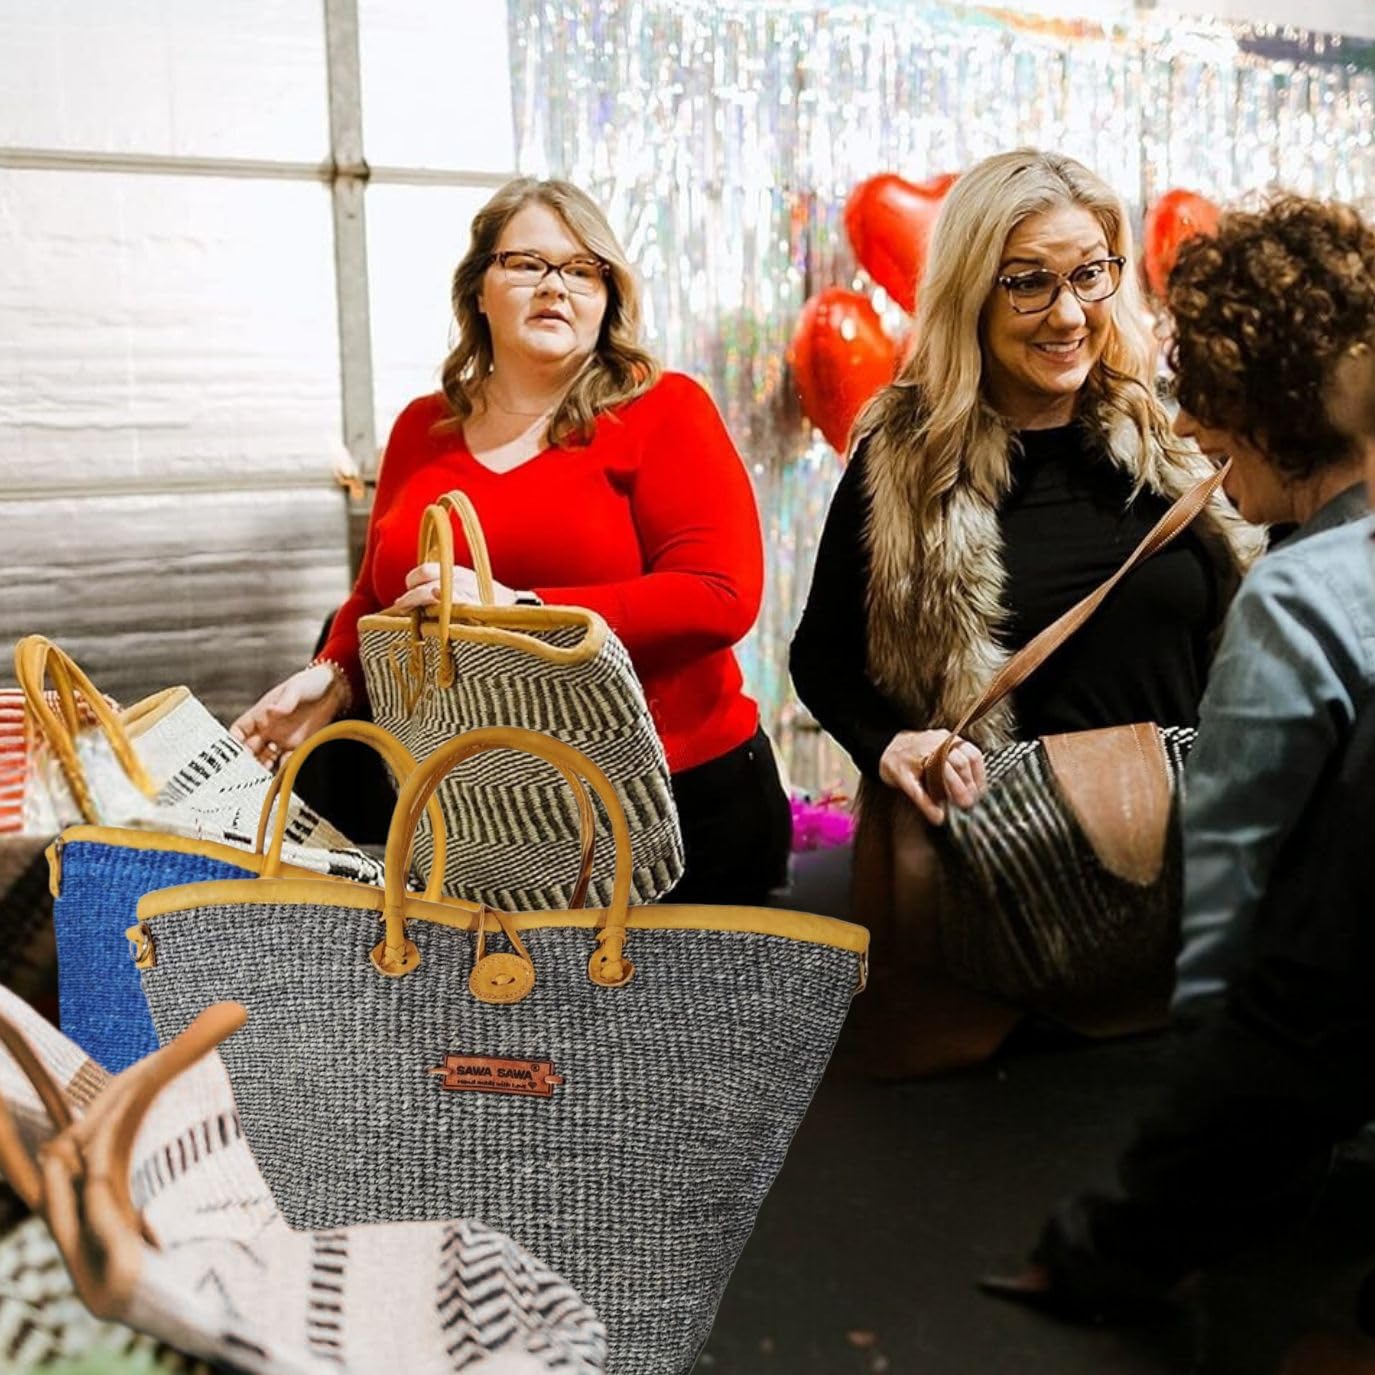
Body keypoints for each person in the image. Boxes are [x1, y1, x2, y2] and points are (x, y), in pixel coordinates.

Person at [984, 194, 1375, 1321]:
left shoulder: (1301, 598)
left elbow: (1230, 881)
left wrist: (1196, 1113)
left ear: (1253, 404)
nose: (1189, 423)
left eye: (1203, 397)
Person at [790, 149, 1251, 1064]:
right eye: (1028, 283)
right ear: (972, 288)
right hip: (998, 917)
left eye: (1088, 274)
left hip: (1190, 913)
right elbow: (822, 653)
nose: (1068, 312)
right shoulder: (903, 455)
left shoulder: (1169, 437)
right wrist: (894, 743)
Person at [231, 177, 791, 905]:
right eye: (526, 263)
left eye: (581, 269)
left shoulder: (663, 411)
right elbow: (379, 594)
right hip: (471, 813)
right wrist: (333, 678)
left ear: (607, 297)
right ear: (479, 288)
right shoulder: (419, 429)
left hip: (664, 808)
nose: (554, 286)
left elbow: (718, 598)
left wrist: (516, 608)